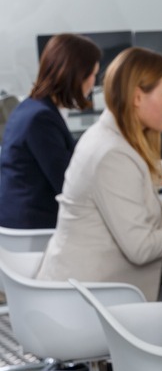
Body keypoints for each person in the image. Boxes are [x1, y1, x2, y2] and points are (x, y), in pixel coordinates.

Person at [37, 47, 162, 301]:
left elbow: (149, 209)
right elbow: (141, 248)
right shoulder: (113, 154)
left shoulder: (109, 137)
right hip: (87, 304)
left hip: (87, 290)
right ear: (138, 97)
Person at [0, 34, 101, 229]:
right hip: (36, 228)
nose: (93, 83)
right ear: (76, 74)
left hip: (22, 224)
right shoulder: (41, 119)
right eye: (92, 74)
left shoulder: (30, 108)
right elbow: (69, 186)